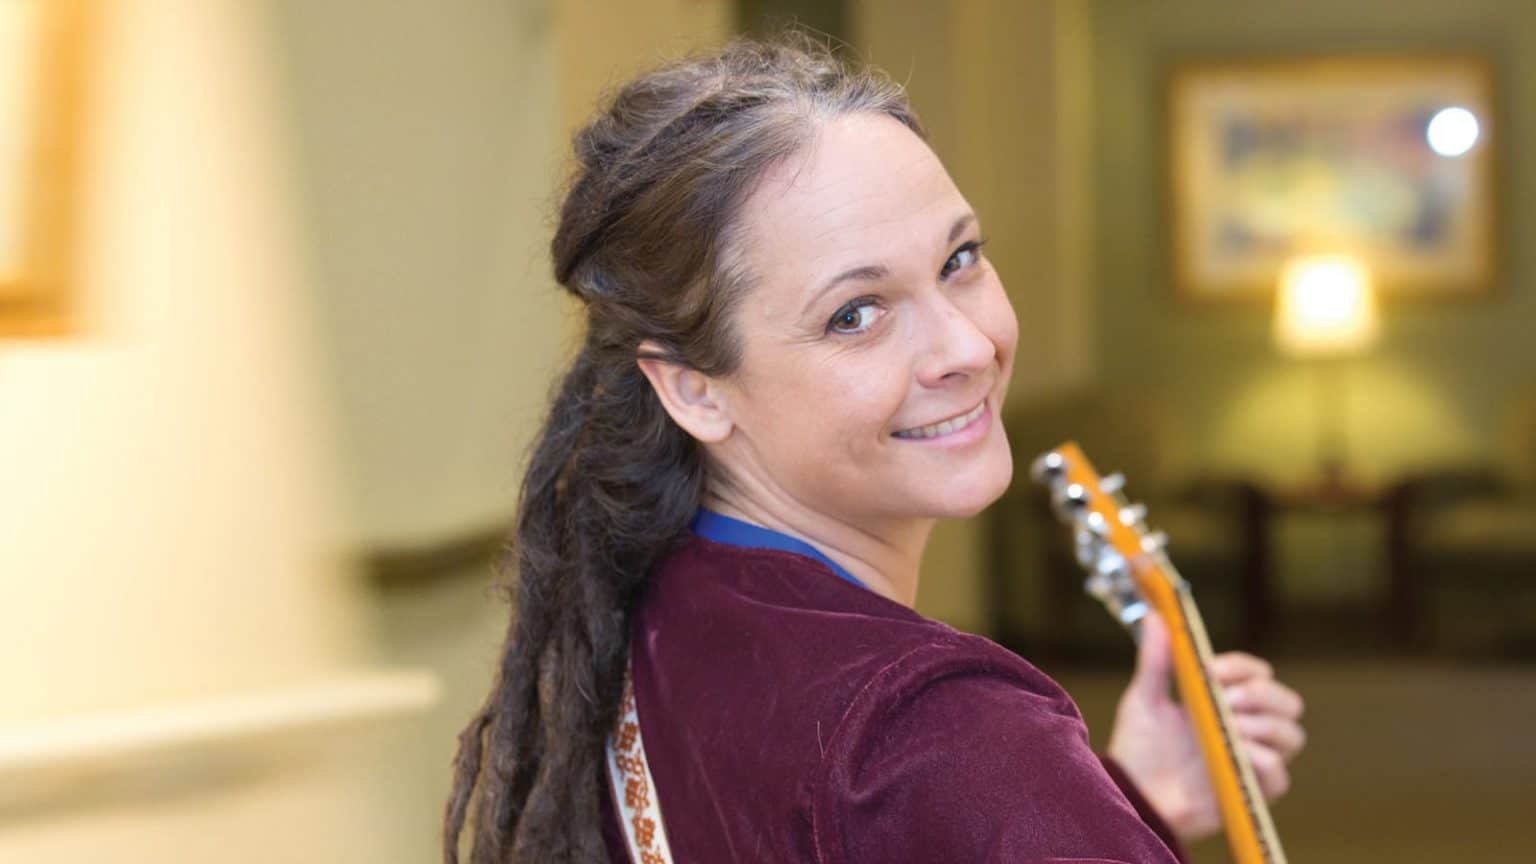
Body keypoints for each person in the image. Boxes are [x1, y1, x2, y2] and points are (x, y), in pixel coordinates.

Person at [444, 32, 1305, 864]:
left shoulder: (661, 613)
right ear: (693, 389)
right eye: (855, 313)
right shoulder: (944, 739)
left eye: (960, 258)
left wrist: (1106, 802)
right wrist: (1041, 804)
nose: (966, 347)